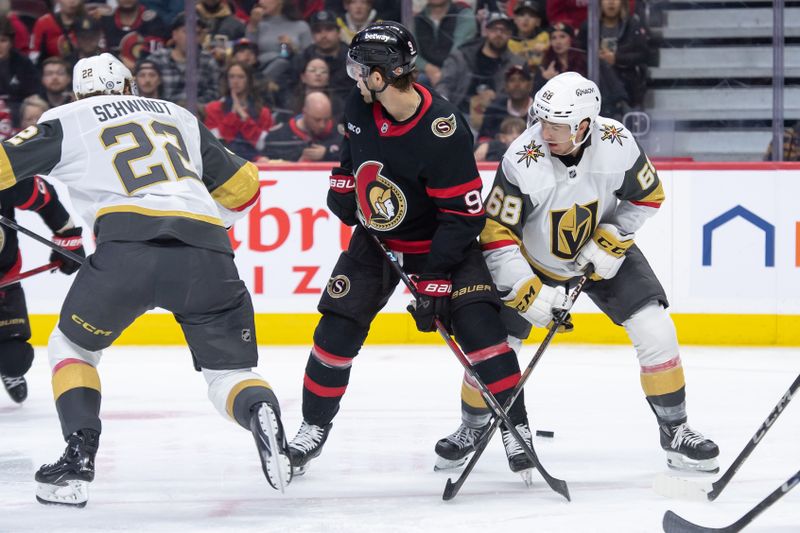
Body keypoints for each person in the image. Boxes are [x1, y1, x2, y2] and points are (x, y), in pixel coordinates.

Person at [0, 53, 292, 506]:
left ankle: (78, 458)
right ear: (130, 84)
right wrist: (206, 223)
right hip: (207, 249)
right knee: (229, 373)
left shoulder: (67, 118)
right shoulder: (178, 115)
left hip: (126, 249)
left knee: (73, 347)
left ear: (79, 94)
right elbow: (245, 186)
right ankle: (259, 410)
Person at [435, 71, 721, 475]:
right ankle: (473, 426)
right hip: (532, 261)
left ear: (585, 124)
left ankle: (675, 431)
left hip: (600, 249)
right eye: (542, 120)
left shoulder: (618, 142)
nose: (545, 131)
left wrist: (613, 236)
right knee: (496, 348)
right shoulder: (521, 158)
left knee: (657, 330)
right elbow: (497, 233)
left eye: (557, 125)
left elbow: (649, 196)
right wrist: (525, 290)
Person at [285, 22, 534, 481]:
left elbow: (463, 215)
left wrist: (435, 275)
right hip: (377, 243)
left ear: (381, 75)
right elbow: (351, 158)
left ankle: (516, 429)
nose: (354, 76)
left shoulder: (443, 129)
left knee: (482, 332)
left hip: (443, 246)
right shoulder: (359, 106)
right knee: (335, 331)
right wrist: (343, 184)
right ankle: (312, 428)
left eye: (361, 69)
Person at [0, 175, 84, 404]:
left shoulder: (1, 173)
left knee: (15, 359)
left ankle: (8, 370)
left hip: (4, 285)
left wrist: (68, 237)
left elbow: (43, 195)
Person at [438, 12, 524, 117]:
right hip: (459, 113)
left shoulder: (515, 64)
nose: (499, 34)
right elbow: (445, 84)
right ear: (486, 31)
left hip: (495, 118)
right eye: (494, 29)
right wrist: (444, 107)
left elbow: (519, 95)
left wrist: (496, 97)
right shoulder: (461, 56)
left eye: (504, 30)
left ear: (510, 34)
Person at [578, 0, 649, 109]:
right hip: (596, 81)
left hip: (627, 80)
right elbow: (579, 54)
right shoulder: (588, 26)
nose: (611, 2)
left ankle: (620, 105)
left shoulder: (632, 25)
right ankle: (620, 103)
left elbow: (643, 55)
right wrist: (594, 58)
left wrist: (616, 59)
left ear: (622, 3)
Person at [205, 61, 274, 161]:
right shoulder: (213, 109)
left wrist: (245, 118)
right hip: (223, 162)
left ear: (248, 80)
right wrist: (232, 115)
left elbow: (263, 144)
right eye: (232, 77)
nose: (235, 81)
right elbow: (217, 143)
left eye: (241, 77)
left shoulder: (263, 113)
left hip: (255, 162)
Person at [148, 13, 220, 107]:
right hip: (163, 114)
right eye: (187, 32)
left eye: (197, 33)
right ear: (174, 34)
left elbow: (214, 94)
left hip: (197, 116)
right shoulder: (157, 59)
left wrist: (193, 107)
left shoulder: (208, 61)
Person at [261, 90, 342, 162]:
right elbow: (268, 162)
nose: (322, 125)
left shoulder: (338, 133)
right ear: (304, 113)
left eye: (326, 119)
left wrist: (327, 153)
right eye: (317, 120)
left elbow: (350, 155)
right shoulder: (279, 136)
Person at [413, 0, 477, 88]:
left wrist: (443, 74)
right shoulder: (417, 19)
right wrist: (428, 68)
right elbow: (412, 52)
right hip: (426, 74)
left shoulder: (463, 14)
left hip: (458, 73)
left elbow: (459, 51)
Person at [478, 63, 533, 140]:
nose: (517, 84)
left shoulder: (539, 110)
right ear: (506, 86)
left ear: (530, 85)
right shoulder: (495, 109)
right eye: (512, 80)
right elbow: (483, 138)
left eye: (522, 80)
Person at [508, 0, 549, 70]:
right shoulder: (507, 41)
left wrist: (547, 50)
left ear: (538, 22)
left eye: (531, 15)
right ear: (515, 19)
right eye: (521, 15)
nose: (526, 19)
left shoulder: (545, 38)